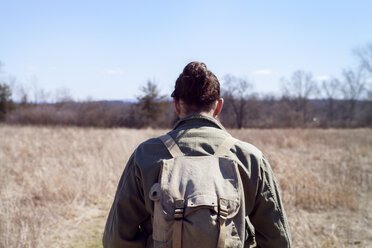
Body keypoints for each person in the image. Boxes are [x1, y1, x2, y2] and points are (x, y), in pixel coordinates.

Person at [103, 62, 292, 248]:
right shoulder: (250, 158)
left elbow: (116, 239)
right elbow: (278, 241)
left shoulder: (145, 155)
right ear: (218, 107)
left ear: (177, 105)